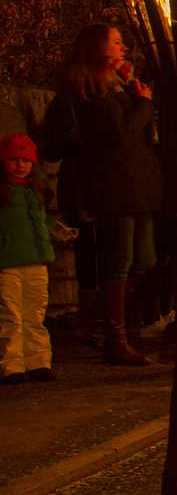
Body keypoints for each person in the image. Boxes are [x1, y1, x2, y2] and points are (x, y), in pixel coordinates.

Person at [40, 24, 163, 366]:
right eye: (117, 42)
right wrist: (142, 104)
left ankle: (92, 320)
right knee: (107, 260)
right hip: (103, 185)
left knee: (143, 258)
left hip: (133, 184)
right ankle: (110, 333)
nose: (124, 48)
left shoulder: (119, 83)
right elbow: (115, 138)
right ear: (98, 48)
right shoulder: (88, 89)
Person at [1, 133, 67, 383]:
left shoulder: (34, 189)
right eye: (14, 159)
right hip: (7, 263)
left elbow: (39, 219)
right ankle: (11, 364)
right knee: (10, 316)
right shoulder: (4, 193)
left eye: (25, 160)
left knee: (35, 314)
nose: (20, 164)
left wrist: (56, 228)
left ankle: (38, 361)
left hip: (37, 262)